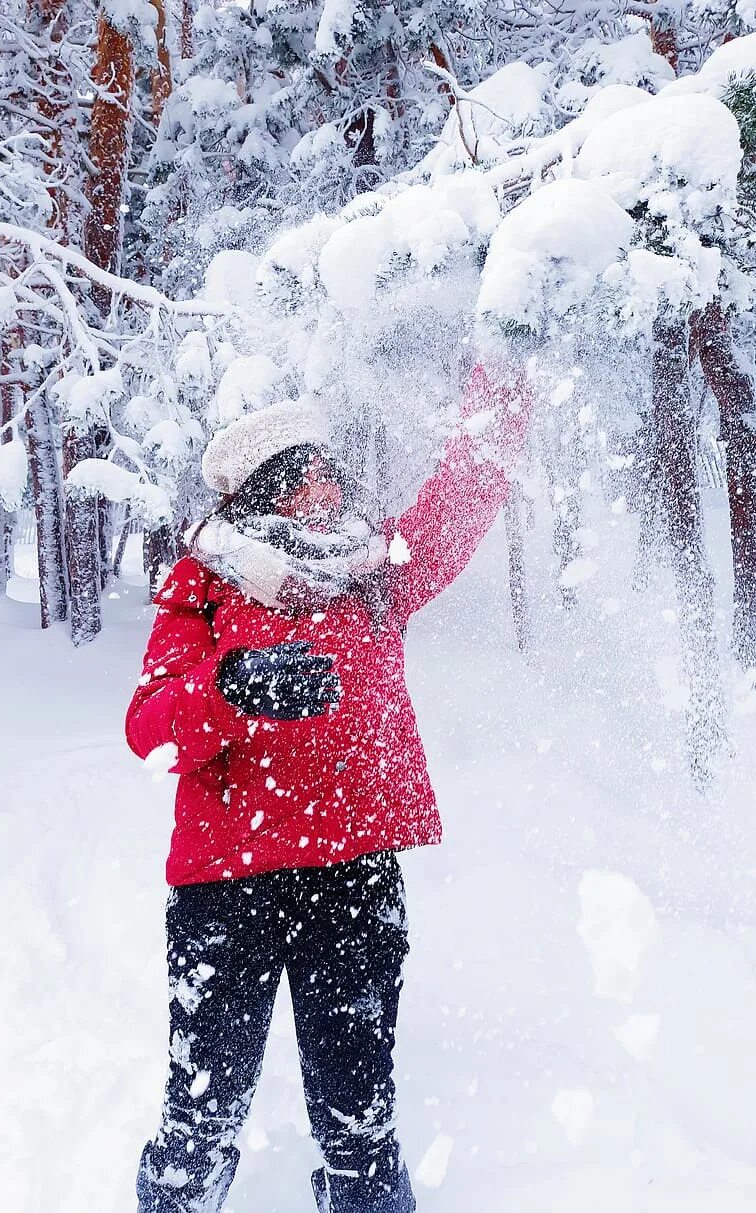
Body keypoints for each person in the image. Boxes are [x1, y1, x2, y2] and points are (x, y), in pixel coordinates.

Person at [126, 369, 529, 1213]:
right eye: (307, 472)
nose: (329, 484)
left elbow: (465, 495)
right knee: (202, 1112)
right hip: (225, 888)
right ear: (267, 490)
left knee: (360, 1121)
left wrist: (505, 367)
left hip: (352, 876)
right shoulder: (203, 583)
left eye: (330, 468)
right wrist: (232, 686)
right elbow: (148, 725)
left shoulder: (374, 568)